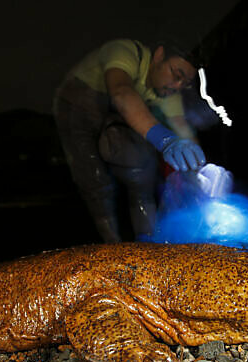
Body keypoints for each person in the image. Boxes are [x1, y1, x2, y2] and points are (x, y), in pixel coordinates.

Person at [53, 38, 206, 243]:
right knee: (95, 179)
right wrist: (166, 140)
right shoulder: (125, 51)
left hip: (115, 114)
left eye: (185, 84)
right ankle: (112, 246)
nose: (177, 85)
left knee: (141, 170)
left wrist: (199, 173)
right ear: (159, 55)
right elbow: (121, 92)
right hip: (77, 107)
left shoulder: (168, 92)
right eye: (176, 75)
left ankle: (148, 244)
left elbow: (183, 127)